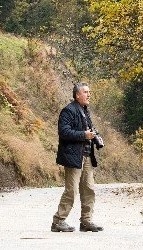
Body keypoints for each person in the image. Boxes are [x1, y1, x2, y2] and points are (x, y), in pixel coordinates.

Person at [51, 82, 104, 233]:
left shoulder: (85, 110)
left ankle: (86, 221)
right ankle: (58, 222)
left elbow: (87, 130)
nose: (89, 94)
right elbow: (64, 132)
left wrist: (95, 136)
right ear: (77, 95)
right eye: (86, 92)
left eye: (89, 92)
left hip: (86, 155)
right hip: (73, 156)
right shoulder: (68, 111)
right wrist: (83, 135)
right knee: (71, 190)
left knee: (89, 189)